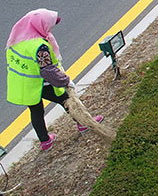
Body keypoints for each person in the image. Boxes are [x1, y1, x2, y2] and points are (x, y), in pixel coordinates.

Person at [7, 9, 103, 152]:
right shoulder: (39, 46)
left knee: (36, 111)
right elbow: (48, 71)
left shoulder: (17, 40)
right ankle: (84, 124)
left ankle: (45, 141)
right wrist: (65, 81)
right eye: (49, 26)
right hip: (41, 83)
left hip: (24, 85)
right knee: (66, 99)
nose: (50, 29)